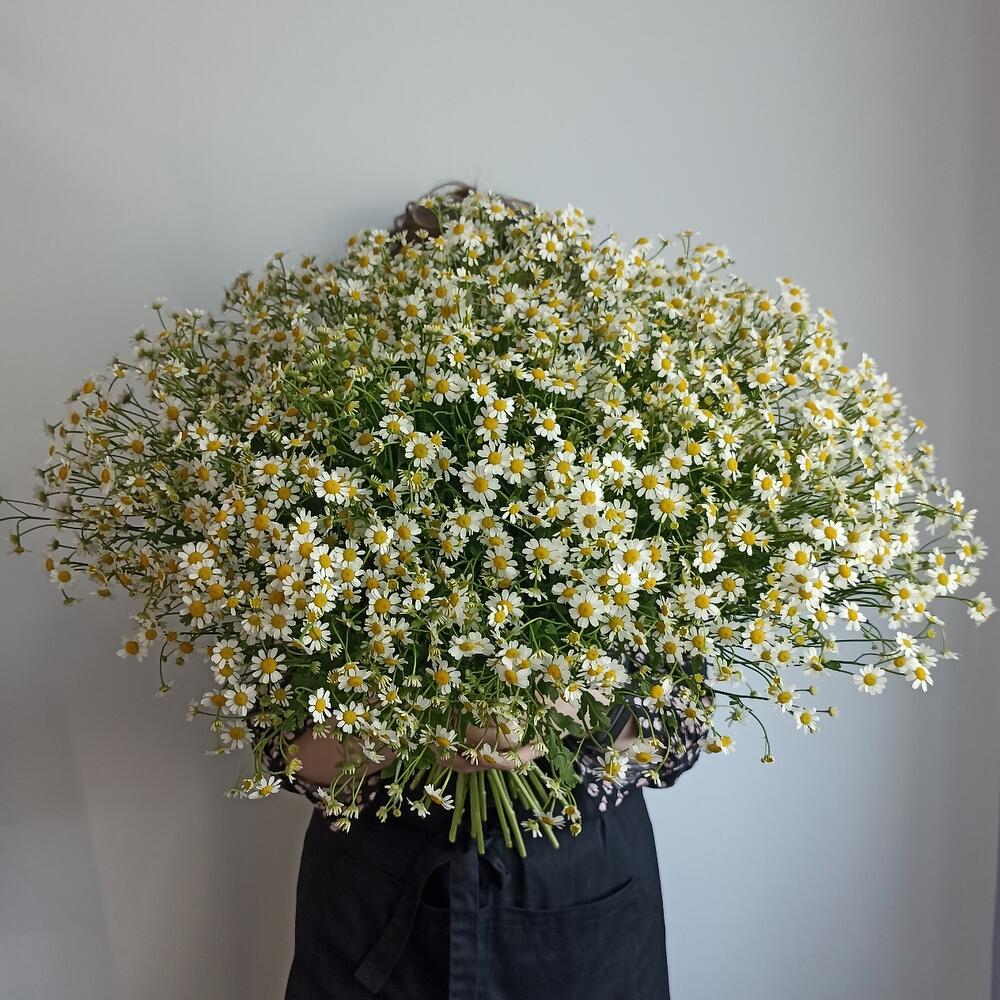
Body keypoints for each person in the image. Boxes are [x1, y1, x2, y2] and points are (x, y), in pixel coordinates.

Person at [262, 187, 714, 999]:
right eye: (434, 294)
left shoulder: (631, 467)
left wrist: (559, 714)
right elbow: (280, 741)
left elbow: (680, 725)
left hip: (582, 910)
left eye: (493, 291)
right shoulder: (315, 471)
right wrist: (421, 738)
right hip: (376, 912)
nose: (465, 321)